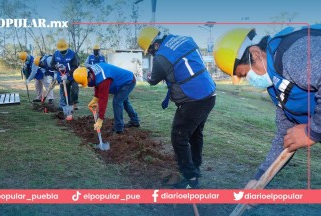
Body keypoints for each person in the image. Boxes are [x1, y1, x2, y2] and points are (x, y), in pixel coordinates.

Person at [213, 25, 321, 188]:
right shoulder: (276, 87)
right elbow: (285, 137)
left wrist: (311, 131)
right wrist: (259, 180)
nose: (249, 79)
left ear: (255, 53)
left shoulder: (294, 53)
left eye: (244, 74)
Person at [137, 26, 216, 189]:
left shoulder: (160, 57)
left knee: (179, 136)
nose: (152, 54)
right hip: (209, 94)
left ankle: (191, 178)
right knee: (194, 134)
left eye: (151, 51)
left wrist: (147, 75)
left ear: (155, 45)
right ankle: (195, 168)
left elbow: (152, 80)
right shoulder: (186, 39)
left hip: (192, 100)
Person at [73, 63, 140, 134]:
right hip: (121, 81)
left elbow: (103, 99)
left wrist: (100, 119)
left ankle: (119, 128)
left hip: (128, 81)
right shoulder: (92, 71)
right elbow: (96, 83)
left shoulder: (103, 79)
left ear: (89, 76)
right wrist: (95, 98)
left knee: (117, 102)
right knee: (124, 101)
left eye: (87, 81)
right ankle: (135, 121)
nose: (88, 83)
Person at [50, 39, 80, 111]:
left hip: (73, 75)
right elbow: (52, 64)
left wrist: (67, 74)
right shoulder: (56, 54)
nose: (62, 51)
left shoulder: (73, 54)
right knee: (64, 90)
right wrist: (57, 67)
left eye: (63, 50)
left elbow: (75, 66)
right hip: (61, 75)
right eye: (61, 50)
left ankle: (74, 103)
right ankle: (65, 105)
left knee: (75, 89)